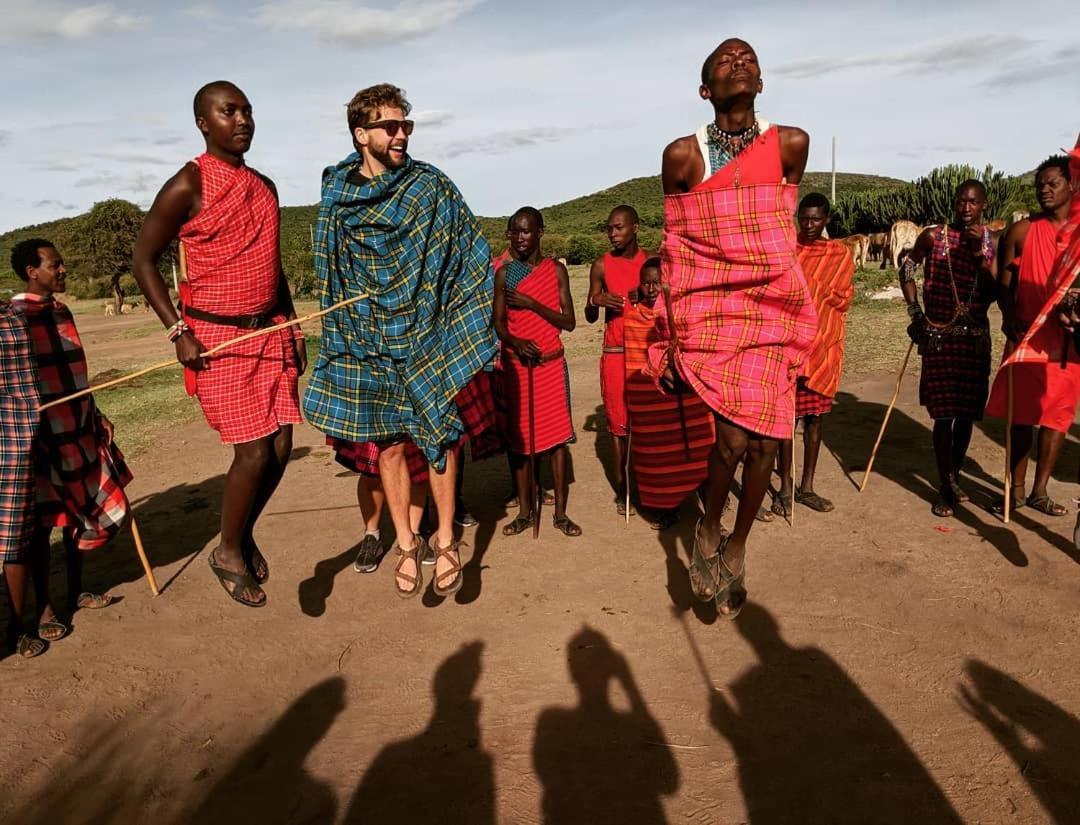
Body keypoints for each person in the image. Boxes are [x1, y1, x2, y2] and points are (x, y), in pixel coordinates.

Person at [303, 83, 496, 599]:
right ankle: (407, 544)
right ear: (361, 134)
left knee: (439, 435)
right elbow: (330, 272)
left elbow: (471, 252)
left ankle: (448, 539)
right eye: (390, 126)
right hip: (368, 333)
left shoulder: (429, 187)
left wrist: (452, 312)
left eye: (406, 126)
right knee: (388, 442)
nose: (401, 135)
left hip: (428, 331)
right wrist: (346, 325)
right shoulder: (339, 199)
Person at [648, 38, 815, 616]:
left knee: (768, 442)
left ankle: (738, 547)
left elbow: (773, 232)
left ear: (762, 83)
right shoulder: (682, 158)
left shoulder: (791, 145)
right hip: (715, 316)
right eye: (725, 60)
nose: (739, 62)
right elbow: (680, 250)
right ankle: (709, 531)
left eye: (749, 59)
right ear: (705, 89)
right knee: (733, 440)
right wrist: (670, 334)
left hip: (770, 309)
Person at [133, 80, 304, 608]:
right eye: (229, 112)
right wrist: (177, 330)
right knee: (252, 451)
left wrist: (292, 326)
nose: (242, 120)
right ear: (204, 123)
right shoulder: (188, 184)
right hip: (217, 338)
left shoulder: (265, 186)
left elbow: (271, 266)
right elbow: (144, 261)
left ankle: (241, 532)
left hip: (269, 329)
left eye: (248, 111)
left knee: (281, 447)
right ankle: (227, 550)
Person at [9, 239, 129, 647]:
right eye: (54, 265)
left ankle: (76, 590)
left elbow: (77, 372)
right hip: (40, 437)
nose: (63, 270)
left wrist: (96, 413)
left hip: (78, 426)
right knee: (44, 525)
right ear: (32, 270)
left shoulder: (62, 310)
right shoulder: (13, 318)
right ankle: (44, 608)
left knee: (81, 513)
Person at [986, 157, 1078, 515]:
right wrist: (1009, 318)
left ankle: (1041, 490)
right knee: (1022, 416)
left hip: (1068, 342)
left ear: (1072, 185)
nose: (1044, 189)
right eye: (1040, 184)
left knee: (1057, 416)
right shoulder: (1022, 231)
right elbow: (1003, 286)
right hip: (1027, 336)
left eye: (1053, 183)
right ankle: (1017, 490)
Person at [901, 181, 998, 518]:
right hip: (939, 338)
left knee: (966, 415)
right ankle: (946, 486)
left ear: (984, 205)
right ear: (954, 203)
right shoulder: (933, 236)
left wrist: (976, 254)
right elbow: (906, 269)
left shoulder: (992, 242)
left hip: (974, 341)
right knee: (943, 416)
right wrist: (916, 313)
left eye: (973, 202)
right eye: (961, 201)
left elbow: (994, 289)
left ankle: (953, 477)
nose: (966, 208)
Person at [493, 207, 580, 537]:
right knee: (520, 442)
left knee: (557, 441)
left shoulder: (556, 271)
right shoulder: (505, 274)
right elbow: (499, 325)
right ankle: (526, 512)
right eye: (514, 231)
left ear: (541, 232)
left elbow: (569, 323)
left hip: (551, 364)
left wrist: (532, 305)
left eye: (527, 231)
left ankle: (559, 514)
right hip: (520, 366)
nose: (520, 238)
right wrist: (515, 342)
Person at [773, 193, 855, 516]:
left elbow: (843, 298)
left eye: (815, 219)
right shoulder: (785, 250)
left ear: (827, 220)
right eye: (803, 219)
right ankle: (783, 489)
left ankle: (806, 487)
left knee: (814, 420)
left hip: (821, 348)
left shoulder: (840, 255)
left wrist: (812, 289)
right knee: (785, 421)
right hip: (787, 348)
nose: (808, 225)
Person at [623, 257, 714, 530]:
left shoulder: (685, 314)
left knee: (699, 449)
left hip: (684, 394)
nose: (651, 289)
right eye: (646, 283)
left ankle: (709, 513)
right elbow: (633, 361)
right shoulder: (631, 319)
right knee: (656, 456)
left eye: (657, 282)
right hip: (649, 402)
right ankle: (665, 508)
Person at [585, 206, 651, 515]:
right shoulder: (601, 265)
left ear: (636, 227)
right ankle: (623, 490)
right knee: (617, 425)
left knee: (648, 424)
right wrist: (596, 301)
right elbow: (588, 314)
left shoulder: (650, 262)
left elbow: (664, 301)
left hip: (646, 353)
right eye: (609, 228)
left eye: (619, 228)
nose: (613, 234)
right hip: (614, 354)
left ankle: (651, 489)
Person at [0, 297, 44, 657]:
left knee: (15, 538)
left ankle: (16, 627)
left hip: (15, 440)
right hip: (16, 438)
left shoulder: (13, 317)